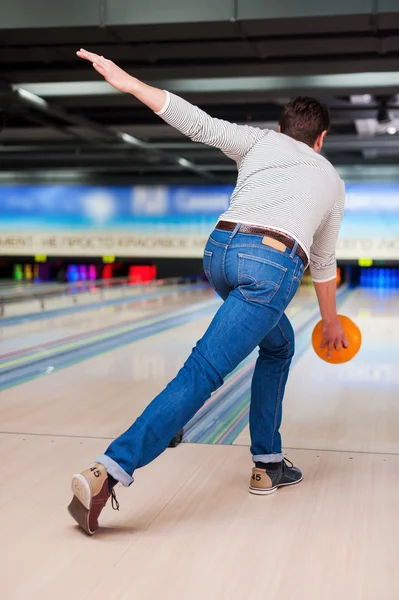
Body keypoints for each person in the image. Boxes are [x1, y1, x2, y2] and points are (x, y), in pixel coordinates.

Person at [68, 49, 348, 535]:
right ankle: (109, 470)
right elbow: (322, 265)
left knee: (279, 345)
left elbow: (194, 120)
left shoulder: (259, 141)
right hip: (271, 265)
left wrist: (129, 82)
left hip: (220, 251)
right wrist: (330, 321)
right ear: (320, 140)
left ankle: (268, 461)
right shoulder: (333, 181)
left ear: (282, 130)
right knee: (202, 373)